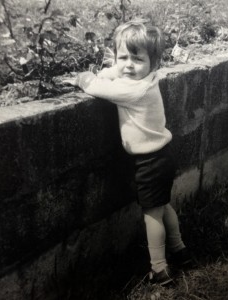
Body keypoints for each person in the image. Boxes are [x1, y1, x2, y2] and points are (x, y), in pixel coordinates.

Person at [63, 20, 191, 286]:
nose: (128, 65)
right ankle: (180, 249)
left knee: (151, 213)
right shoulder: (147, 79)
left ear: (153, 63)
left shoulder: (134, 90)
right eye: (123, 57)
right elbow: (115, 73)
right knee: (163, 205)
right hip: (162, 156)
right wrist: (113, 69)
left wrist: (83, 78)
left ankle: (159, 269)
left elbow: (99, 87)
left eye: (137, 59)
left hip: (150, 162)